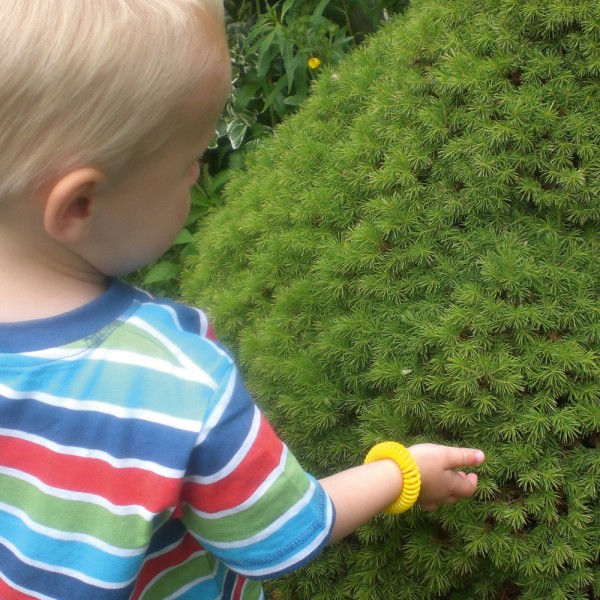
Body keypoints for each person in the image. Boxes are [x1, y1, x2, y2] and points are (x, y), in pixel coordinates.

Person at [0, 1, 486, 598]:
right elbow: (279, 535)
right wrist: (401, 473)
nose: (199, 176)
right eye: (189, 165)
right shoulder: (173, 383)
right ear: (79, 206)